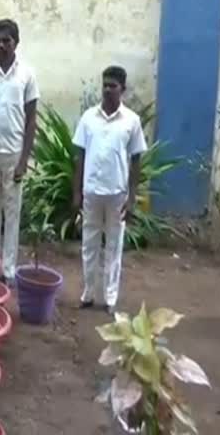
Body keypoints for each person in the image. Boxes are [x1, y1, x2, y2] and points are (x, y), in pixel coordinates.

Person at [72, 66, 147, 314]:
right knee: (89, 244)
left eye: (112, 86)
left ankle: (111, 298)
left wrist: (132, 197)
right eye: (104, 85)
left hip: (117, 193)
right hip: (91, 191)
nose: (107, 89)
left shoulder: (132, 121)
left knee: (114, 246)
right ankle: (88, 293)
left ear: (122, 89)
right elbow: (80, 156)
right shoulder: (88, 118)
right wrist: (76, 192)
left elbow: (136, 160)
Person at [0, 19, 39, 284]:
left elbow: (31, 120)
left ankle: (10, 270)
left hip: (14, 156)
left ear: (16, 42)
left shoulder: (27, 75)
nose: (1, 45)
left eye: (7, 40)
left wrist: (24, 160)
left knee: (12, 216)